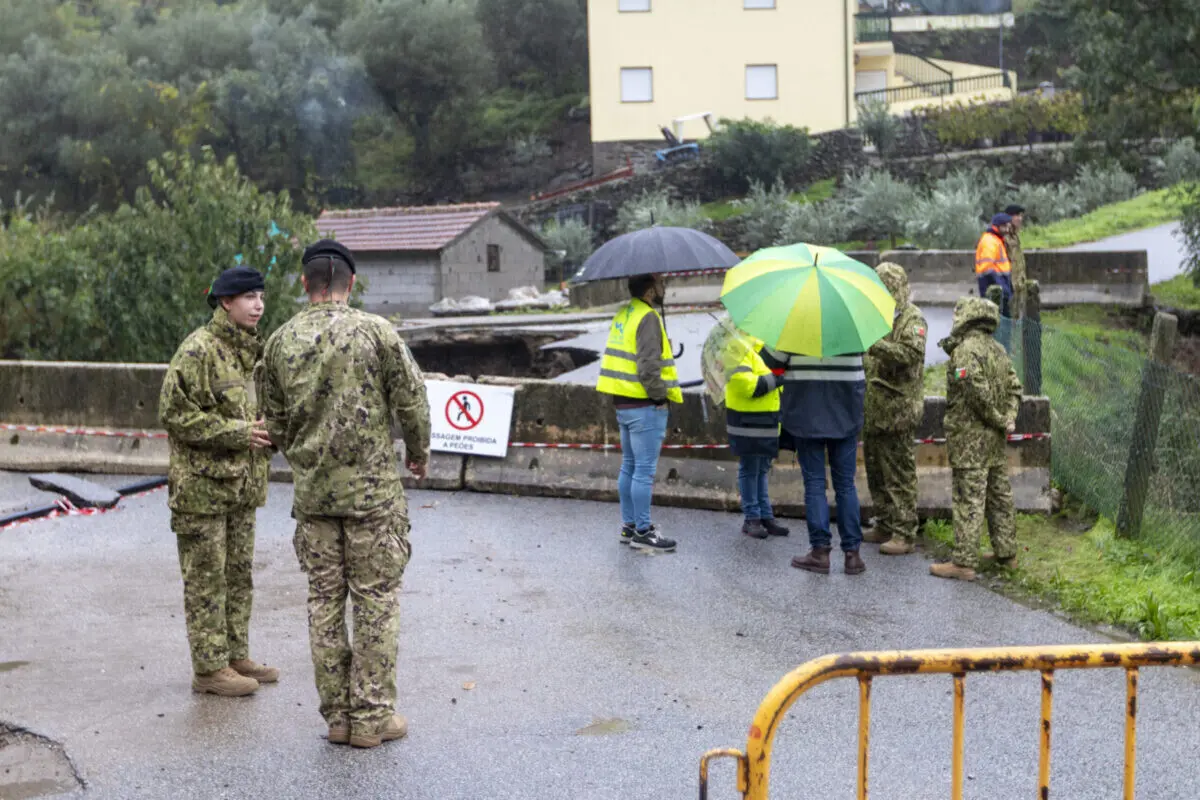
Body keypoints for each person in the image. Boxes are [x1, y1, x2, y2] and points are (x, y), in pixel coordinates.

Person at [260, 239, 431, 748]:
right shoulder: (376, 333)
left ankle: (337, 716)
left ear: (305, 283)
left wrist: (306, 459)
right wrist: (418, 453)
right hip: (373, 498)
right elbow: (413, 401)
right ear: (349, 284)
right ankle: (373, 717)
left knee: (324, 602)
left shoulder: (279, 342)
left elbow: (275, 422)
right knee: (376, 601)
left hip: (314, 498)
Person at [159, 266, 277, 698]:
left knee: (238, 575)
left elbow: (256, 413)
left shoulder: (253, 353)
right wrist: (238, 434)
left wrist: (267, 430)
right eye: (248, 297)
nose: (258, 304)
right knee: (207, 579)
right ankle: (208, 669)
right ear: (225, 302)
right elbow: (174, 415)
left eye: (261, 296)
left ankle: (233, 654)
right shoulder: (198, 350)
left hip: (241, 488)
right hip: (203, 491)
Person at [930, 296, 1023, 582]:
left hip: (970, 440)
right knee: (999, 497)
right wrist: (1008, 418)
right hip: (993, 441)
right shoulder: (998, 349)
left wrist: (998, 418)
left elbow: (976, 394)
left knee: (968, 499)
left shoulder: (965, 352)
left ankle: (964, 562)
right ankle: (1006, 553)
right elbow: (1014, 388)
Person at [761, 344, 868, 576]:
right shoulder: (854, 332)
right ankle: (853, 554)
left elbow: (768, 360)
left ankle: (820, 552)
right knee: (846, 485)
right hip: (846, 415)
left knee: (815, 483)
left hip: (806, 414)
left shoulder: (795, 328)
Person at [595, 273, 683, 552]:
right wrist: (660, 397)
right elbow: (647, 367)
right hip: (645, 404)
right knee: (643, 471)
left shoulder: (625, 313)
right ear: (649, 289)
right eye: (660, 283)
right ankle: (643, 531)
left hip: (622, 401)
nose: (663, 288)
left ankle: (629, 526)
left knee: (629, 466)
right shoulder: (648, 317)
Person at [861, 263, 928, 556]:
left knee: (900, 473)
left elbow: (911, 354)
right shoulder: (877, 317)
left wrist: (875, 346)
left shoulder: (913, 318)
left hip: (899, 410)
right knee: (876, 471)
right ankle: (885, 523)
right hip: (874, 410)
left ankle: (904, 532)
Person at [724, 332, 788, 539]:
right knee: (750, 468)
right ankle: (752, 517)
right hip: (747, 421)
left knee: (761, 469)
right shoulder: (736, 347)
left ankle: (764, 515)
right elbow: (746, 385)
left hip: (764, 420)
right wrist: (777, 379)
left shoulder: (759, 346)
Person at [975, 213, 1014, 317]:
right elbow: (987, 268)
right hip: (994, 287)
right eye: (1004, 226)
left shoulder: (996, 240)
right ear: (996, 226)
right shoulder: (990, 241)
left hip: (998, 285)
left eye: (1008, 226)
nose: (1007, 229)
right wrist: (1003, 288)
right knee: (999, 319)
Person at [1004, 204, 1027, 319]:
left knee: (1016, 319)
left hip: (1018, 284)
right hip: (1010, 284)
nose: (1020, 218)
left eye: (1021, 215)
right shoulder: (1005, 237)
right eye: (1017, 215)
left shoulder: (1015, 236)